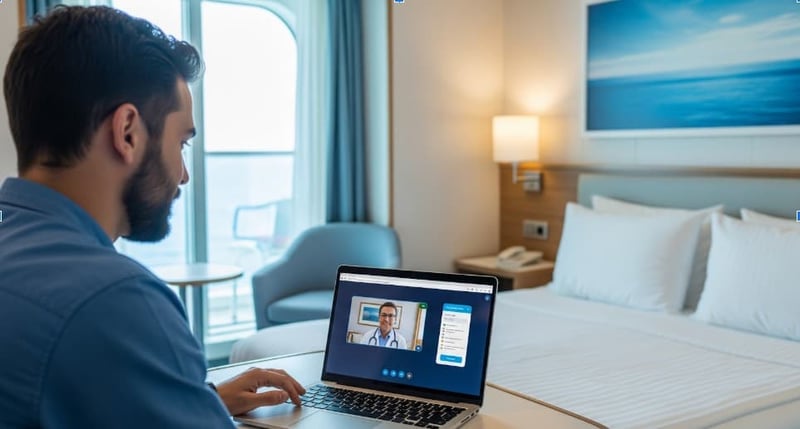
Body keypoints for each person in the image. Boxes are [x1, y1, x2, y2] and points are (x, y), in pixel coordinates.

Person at [0, 6, 304, 428]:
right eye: (181, 142)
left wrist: (198, 399)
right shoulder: (117, 300)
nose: (183, 175)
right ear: (127, 132)